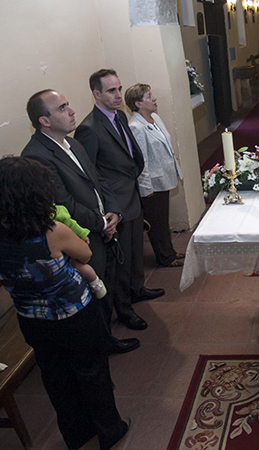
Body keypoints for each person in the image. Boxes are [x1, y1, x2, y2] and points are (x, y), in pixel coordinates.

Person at [0, 156, 130, 450]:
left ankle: (77, 433)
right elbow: (83, 254)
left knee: (55, 376)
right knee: (92, 370)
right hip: (72, 314)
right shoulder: (52, 230)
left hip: (30, 317)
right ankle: (109, 429)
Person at [22, 89, 140, 354]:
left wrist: (113, 211)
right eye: (62, 108)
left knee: (107, 281)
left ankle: (108, 333)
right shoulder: (37, 155)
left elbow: (98, 181)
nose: (72, 111)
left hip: (101, 224)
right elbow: (63, 203)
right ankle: (101, 345)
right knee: (93, 292)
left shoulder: (72, 143)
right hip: (81, 234)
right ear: (44, 120)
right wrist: (101, 223)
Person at [75, 69, 165, 331]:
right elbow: (91, 173)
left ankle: (137, 289)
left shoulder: (121, 116)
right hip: (115, 203)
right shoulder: (89, 129)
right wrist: (106, 208)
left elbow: (129, 154)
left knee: (136, 250)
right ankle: (124, 309)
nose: (117, 95)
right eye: (111, 90)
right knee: (121, 262)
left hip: (131, 194)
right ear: (96, 93)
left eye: (118, 88)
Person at [125, 83, 185, 268]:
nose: (154, 99)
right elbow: (141, 160)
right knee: (156, 223)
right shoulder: (136, 126)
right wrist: (146, 187)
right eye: (149, 97)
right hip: (152, 181)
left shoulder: (155, 118)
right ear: (138, 104)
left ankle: (170, 250)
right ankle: (164, 257)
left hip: (164, 176)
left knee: (163, 219)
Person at [54, 204, 107, 297]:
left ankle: (96, 284)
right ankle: (95, 283)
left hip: (66, 246)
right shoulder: (57, 210)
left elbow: (71, 224)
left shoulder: (57, 211)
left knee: (80, 265)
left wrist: (82, 234)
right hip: (61, 249)